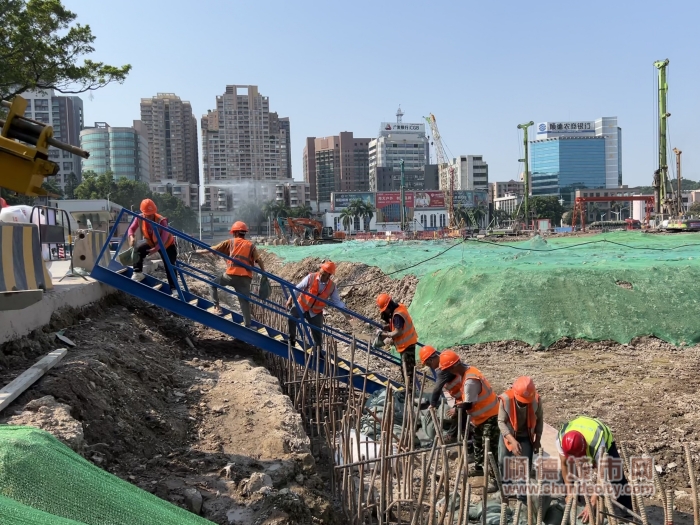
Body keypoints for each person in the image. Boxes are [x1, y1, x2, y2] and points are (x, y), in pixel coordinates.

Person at [557, 416, 633, 522]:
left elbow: (602, 475)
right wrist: (569, 492)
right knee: (570, 472)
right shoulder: (561, 439)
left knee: (616, 475)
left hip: (605, 440)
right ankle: (575, 503)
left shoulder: (597, 443)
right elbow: (564, 464)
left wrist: (592, 501)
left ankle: (627, 513)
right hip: (580, 434)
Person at [439, 350, 500, 479]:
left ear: (454, 366)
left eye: (448, 369)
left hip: (490, 416)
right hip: (480, 417)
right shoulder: (467, 372)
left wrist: (456, 409)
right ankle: (479, 468)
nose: (448, 372)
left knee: (489, 448)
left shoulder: (470, 381)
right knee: (478, 443)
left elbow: (468, 404)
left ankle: (495, 478)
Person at [194, 221, 264, 327]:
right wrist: (264, 273)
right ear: (244, 233)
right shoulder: (251, 245)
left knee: (212, 284)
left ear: (234, 232)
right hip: (245, 278)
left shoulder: (230, 242)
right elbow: (259, 259)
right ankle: (248, 325)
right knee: (244, 301)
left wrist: (199, 252)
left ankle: (217, 307)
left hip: (231, 275)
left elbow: (214, 248)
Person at [285, 261, 352, 350]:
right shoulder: (311, 277)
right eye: (320, 273)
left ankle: (318, 351)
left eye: (324, 275)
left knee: (317, 331)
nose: (321, 276)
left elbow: (337, 302)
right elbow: (298, 288)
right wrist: (290, 299)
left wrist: (346, 314)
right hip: (302, 305)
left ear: (329, 275)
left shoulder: (332, 286)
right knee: (291, 317)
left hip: (315, 312)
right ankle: (291, 340)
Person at [498, 376, 543, 501]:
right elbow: (501, 422)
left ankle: (522, 495)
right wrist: (512, 441)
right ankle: (507, 489)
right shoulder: (506, 399)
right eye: (521, 400)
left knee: (524, 464)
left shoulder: (536, 400)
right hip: (508, 434)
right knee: (503, 461)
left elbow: (540, 420)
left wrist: (537, 440)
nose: (524, 403)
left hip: (526, 435)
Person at [128, 198, 178, 293]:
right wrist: (131, 237)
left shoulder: (161, 220)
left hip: (167, 245)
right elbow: (131, 229)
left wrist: (156, 249)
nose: (150, 216)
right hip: (152, 243)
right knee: (138, 250)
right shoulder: (139, 218)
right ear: (143, 213)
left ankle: (174, 289)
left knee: (169, 265)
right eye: (148, 215)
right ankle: (138, 273)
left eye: (152, 214)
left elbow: (164, 237)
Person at [376, 293, 418, 393]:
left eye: (384, 309)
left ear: (388, 307)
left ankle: (411, 392)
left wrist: (385, 335)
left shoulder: (397, 315)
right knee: (406, 369)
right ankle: (409, 390)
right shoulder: (399, 308)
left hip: (406, 345)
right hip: (409, 343)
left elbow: (398, 332)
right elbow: (397, 326)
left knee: (407, 370)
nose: (384, 312)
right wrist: (389, 327)